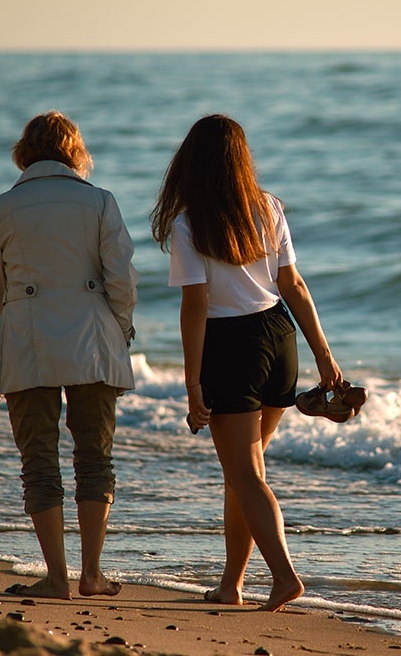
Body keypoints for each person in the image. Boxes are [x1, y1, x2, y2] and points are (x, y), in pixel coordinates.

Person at [151, 114, 342, 612]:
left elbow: (195, 306)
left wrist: (192, 386)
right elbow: (293, 285)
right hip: (279, 338)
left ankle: (284, 576)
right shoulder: (268, 207)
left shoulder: (190, 223)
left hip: (229, 345)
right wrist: (323, 355)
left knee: (244, 473)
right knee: (245, 472)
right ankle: (232, 585)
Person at [0, 110, 138, 600]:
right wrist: (122, 328)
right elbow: (122, 279)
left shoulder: (2, 208)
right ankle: (91, 574)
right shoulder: (100, 201)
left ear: (24, 152)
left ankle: (56, 578)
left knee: (39, 460)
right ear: (75, 153)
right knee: (95, 458)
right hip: (93, 338)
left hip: (27, 338)